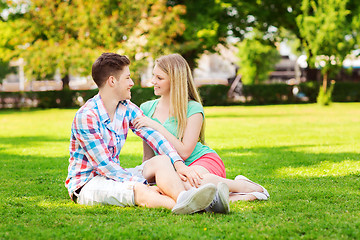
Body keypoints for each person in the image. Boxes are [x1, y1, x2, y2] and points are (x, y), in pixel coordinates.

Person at [65, 52, 222, 215]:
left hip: (114, 175)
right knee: (139, 189)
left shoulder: (126, 108)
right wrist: (143, 183)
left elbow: (154, 137)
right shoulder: (87, 117)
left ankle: (185, 197)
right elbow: (106, 167)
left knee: (161, 160)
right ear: (112, 81)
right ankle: (198, 206)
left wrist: (178, 163)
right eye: (127, 78)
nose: (132, 83)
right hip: (88, 183)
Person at [133, 53, 270, 203]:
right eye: (154, 76)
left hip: (201, 162)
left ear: (175, 81)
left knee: (188, 186)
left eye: (159, 78)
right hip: (174, 170)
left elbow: (184, 153)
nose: (153, 81)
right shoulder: (146, 109)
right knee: (169, 189)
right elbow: (148, 157)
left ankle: (241, 185)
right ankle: (237, 197)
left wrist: (157, 126)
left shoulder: (193, 109)